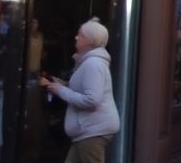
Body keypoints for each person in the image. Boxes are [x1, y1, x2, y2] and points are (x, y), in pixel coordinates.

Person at [38, 19, 120, 163]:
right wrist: (61, 84)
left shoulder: (93, 64)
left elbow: (92, 100)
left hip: (93, 130)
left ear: (90, 41)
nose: (76, 37)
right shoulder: (90, 62)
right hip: (87, 130)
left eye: (80, 35)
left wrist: (60, 90)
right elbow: (83, 89)